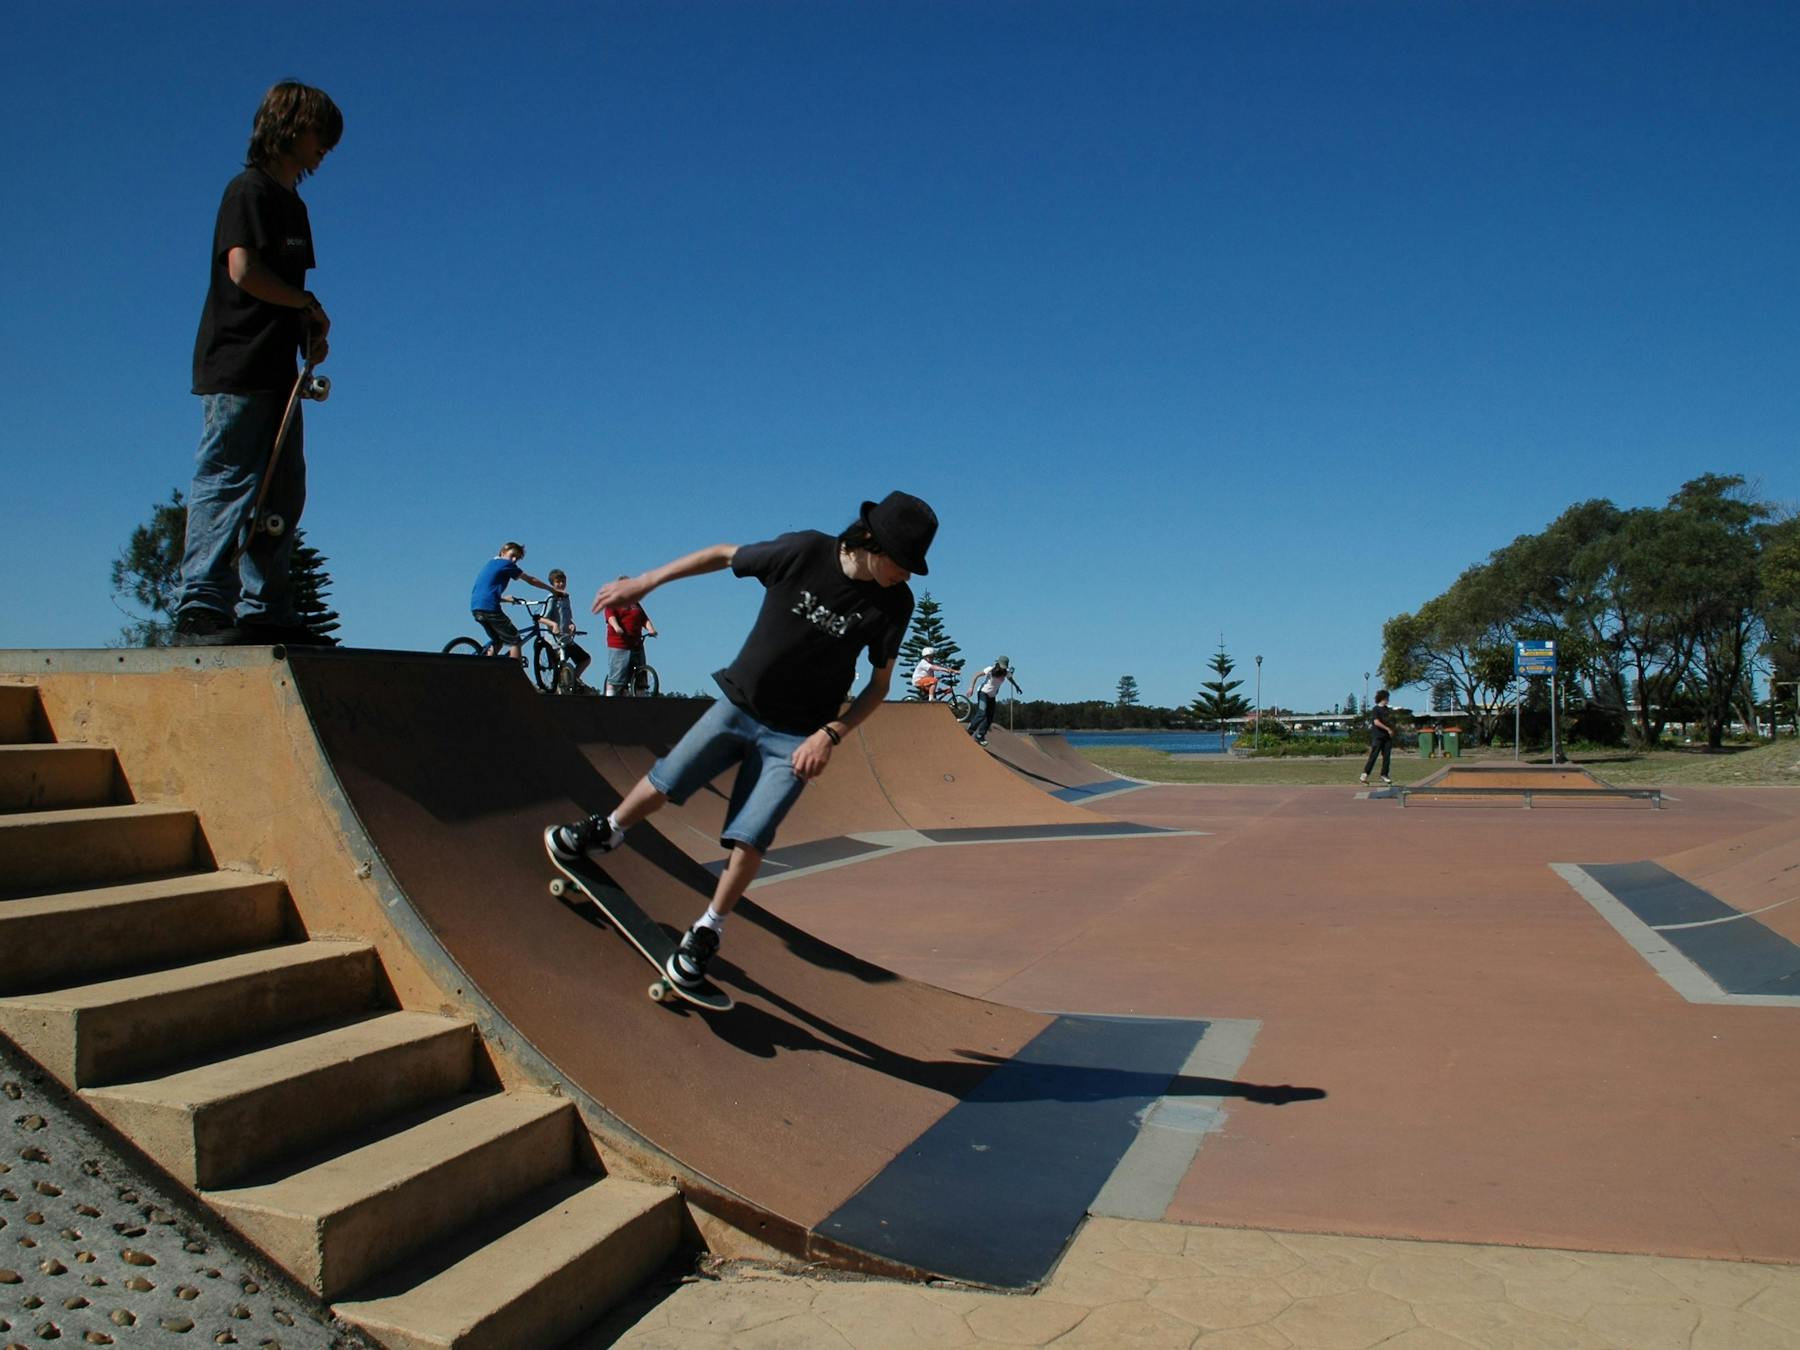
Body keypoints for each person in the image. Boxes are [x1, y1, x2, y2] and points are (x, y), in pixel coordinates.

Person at [547, 491, 937, 990]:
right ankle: (608, 832)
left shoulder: (894, 604)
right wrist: (645, 582)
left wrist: (830, 734)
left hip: (797, 737)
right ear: (873, 544)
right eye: (904, 564)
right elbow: (722, 554)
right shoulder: (803, 551)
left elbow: (878, 686)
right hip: (738, 707)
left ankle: (707, 929)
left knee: (751, 837)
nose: (906, 576)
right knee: (666, 780)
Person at [174, 81, 344, 648]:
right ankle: (201, 605)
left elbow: (292, 286)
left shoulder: (294, 204)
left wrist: (309, 329)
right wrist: (303, 304)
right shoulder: (245, 192)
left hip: (280, 370)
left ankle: (265, 609)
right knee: (229, 480)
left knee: (282, 492)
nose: (326, 149)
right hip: (238, 363)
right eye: (321, 134)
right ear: (292, 126)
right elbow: (243, 272)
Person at [469, 542, 554, 662]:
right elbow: (531, 580)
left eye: (517, 559)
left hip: (476, 607)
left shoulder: (491, 564)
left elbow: (485, 592)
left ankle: (485, 668)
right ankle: (516, 672)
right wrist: (552, 590)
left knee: (498, 641)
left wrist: (505, 599)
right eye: (512, 555)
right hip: (490, 608)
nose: (514, 560)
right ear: (502, 552)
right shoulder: (505, 564)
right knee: (515, 639)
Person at [602, 579, 659, 696]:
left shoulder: (635, 604)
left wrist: (651, 629)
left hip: (636, 642)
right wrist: (617, 627)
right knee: (617, 676)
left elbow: (643, 618)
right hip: (620, 642)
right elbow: (610, 617)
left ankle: (639, 698)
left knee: (640, 673)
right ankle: (609, 697)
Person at [543, 570, 594, 690]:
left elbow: (568, 618)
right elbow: (542, 618)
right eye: (557, 582)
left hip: (566, 638)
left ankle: (574, 681)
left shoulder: (566, 598)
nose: (561, 584)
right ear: (552, 584)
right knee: (560, 667)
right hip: (554, 641)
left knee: (585, 659)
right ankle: (558, 687)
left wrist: (572, 625)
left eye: (563, 582)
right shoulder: (551, 598)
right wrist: (553, 625)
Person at [965, 656, 1022, 745]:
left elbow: (1010, 679)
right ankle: (970, 730)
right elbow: (976, 675)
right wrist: (971, 688)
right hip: (983, 693)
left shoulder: (1006, 672)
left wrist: (1017, 686)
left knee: (989, 717)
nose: (1003, 668)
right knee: (982, 713)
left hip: (992, 696)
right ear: (998, 664)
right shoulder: (990, 669)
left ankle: (980, 735)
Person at [1360, 689, 1395, 785]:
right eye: (1387, 698)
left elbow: (1390, 721)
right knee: (1374, 756)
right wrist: (1387, 728)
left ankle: (1384, 774)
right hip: (1378, 736)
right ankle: (1365, 774)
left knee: (1387, 757)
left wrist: (1391, 729)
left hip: (1387, 737)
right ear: (1383, 698)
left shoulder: (1387, 710)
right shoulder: (1376, 709)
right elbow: (1376, 722)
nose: (1388, 700)